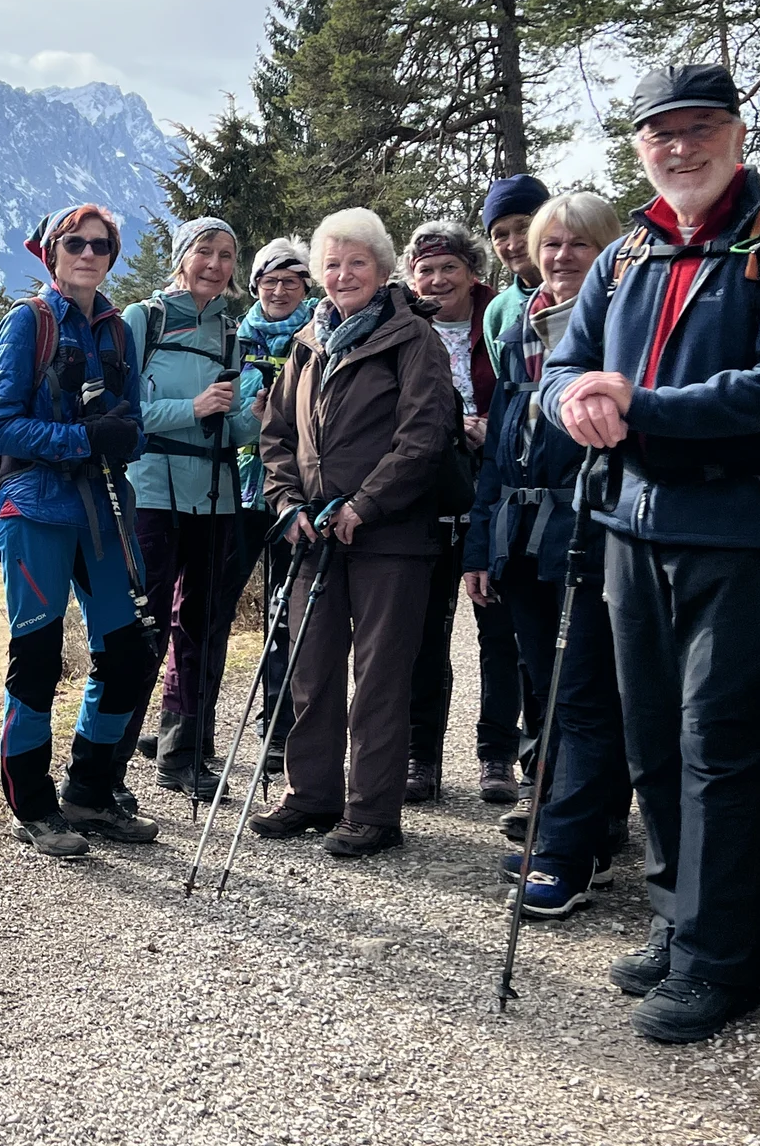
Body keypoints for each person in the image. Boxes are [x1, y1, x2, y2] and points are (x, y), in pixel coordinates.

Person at [544, 64, 760, 1042]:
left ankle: (723, 963)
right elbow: (563, 361)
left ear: (735, 133)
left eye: (698, 127)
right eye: (658, 133)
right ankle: (680, 929)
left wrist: (640, 407)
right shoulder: (629, 251)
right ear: (641, 147)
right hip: (635, 522)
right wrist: (572, 402)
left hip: (745, 524)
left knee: (721, 743)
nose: (679, 147)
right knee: (654, 742)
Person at [250, 208, 452, 858]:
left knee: (381, 676)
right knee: (311, 671)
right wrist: (287, 503)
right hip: (312, 532)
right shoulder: (308, 342)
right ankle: (312, 796)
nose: (342, 275)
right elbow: (276, 434)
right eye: (332, 265)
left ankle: (372, 812)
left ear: (384, 269)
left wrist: (364, 504)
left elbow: (423, 437)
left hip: (389, 537)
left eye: (356, 263)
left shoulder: (413, 339)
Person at [463, 191, 631, 918]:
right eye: (551, 244)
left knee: (585, 696)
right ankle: (578, 832)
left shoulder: (624, 326)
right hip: (520, 539)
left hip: (587, 532)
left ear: (608, 252)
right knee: (554, 691)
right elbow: (500, 449)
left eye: (578, 245)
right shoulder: (521, 329)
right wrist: (479, 543)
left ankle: (567, 854)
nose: (561, 258)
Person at [0, 203, 161, 858]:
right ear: (52, 253)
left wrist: (123, 438)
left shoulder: (118, 333)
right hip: (35, 510)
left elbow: (136, 428)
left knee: (128, 655)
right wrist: (82, 436)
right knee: (37, 662)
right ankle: (31, 806)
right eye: (76, 244)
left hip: (106, 509)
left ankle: (88, 791)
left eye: (101, 245)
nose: (89, 254)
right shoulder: (26, 325)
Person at [120, 217, 261, 799]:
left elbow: (241, 428)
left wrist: (246, 415)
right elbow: (122, 415)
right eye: (205, 251)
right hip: (150, 490)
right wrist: (195, 408)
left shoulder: (233, 334)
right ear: (182, 257)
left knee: (202, 627)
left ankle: (182, 757)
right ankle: (110, 762)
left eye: (227, 254)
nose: (216, 263)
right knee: (142, 626)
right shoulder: (141, 320)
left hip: (216, 494)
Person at [399, 221, 536, 807]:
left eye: (448, 267)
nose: (436, 279)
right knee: (425, 630)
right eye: (425, 270)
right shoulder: (404, 327)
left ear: (472, 271)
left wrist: (492, 432)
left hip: (496, 487)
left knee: (499, 627)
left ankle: (498, 756)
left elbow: (525, 390)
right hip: (427, 493)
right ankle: (419, 757)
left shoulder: (501, 318)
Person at [236, 238, 318, 768]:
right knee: (259, 612)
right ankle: (269, 722)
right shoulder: (238, 336)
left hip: (302, 488)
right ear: (257, 287)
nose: (281, 290)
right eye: (270, 281)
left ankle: (289, 727)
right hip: (246, 486)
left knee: (293, 610)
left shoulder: (320, 333)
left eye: (292, 281)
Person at [480, 174, 551, 371]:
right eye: (500, 235)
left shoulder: (584, 291)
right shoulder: (497, 312)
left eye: (524, 228)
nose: (513, 245)